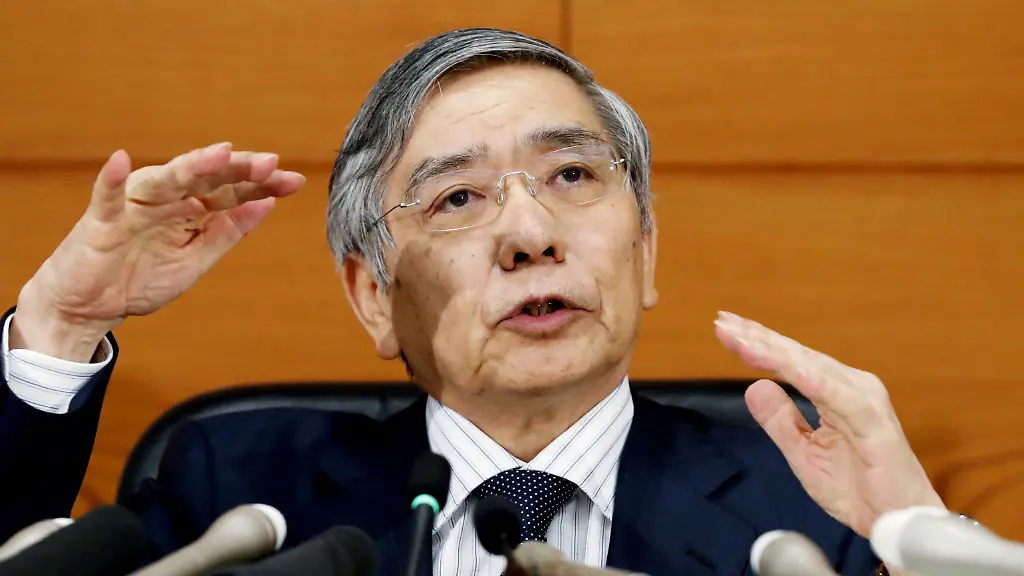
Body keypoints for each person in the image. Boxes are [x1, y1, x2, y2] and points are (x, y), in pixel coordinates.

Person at [0, 28, 944, 575]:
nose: (530, 233)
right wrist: (62, 326)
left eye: (572, 174)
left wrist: (914, 536)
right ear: (374, 297)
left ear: (646, 251)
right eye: (457, 198)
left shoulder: (808, 507)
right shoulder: (240, 491)